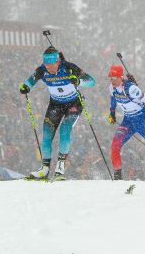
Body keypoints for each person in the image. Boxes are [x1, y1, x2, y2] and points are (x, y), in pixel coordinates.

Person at [20, 46, 95, 180]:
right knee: (47, 136)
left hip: (73, 104)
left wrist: (78, 81)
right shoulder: (42, 70)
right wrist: (27, 87)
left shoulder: (69, 68)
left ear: (58, 62)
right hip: (55, 105)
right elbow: (31, 80)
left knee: (65, 131)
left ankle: (60, 168)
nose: (49, 68)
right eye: (46, 65)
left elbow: (92, 81)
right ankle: (44, 169)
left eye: (51, 65)